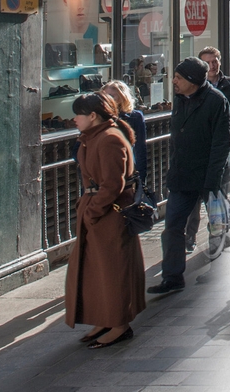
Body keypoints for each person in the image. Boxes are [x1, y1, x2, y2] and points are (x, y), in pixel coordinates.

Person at [65, 92, 145, 347]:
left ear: (92, 116)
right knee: (97, 273)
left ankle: (120, 325)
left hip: (109, 214)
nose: (74, 119)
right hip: (100, 212)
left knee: (113, 272)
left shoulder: (109, 139)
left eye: (78, 114)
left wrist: (93, 211)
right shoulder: (94, 137)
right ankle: (105, 319)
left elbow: (112, 184)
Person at [148, 57, 230, 295]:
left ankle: (218, 271)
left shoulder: (217, 101)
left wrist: (213, 180)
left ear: (193, 81)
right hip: (182, 176)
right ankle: (172, 277)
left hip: (209, 178)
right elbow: (177, 139)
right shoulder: (179, 99)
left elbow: (221, 143)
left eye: (178, 78)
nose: (173, 81)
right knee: (172, 226)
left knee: (217, 226)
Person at [184, 46, 230, 254]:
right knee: (193, 200)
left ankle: (216, 235)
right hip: (196, 152)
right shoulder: (193, 87)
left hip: (220, 150)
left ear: (219, 61)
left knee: (217, 197)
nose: (212, 65)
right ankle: (189, 236)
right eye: (207, 62)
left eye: (214, 61)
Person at [100, 80, 148, 182]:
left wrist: (141, 177)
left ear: (123, 97)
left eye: (112, 96)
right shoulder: (96, 117)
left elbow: (140, 148)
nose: (108, 100)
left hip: (127, 172)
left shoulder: (135, 117)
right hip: (102, 173)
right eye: (104, 97)